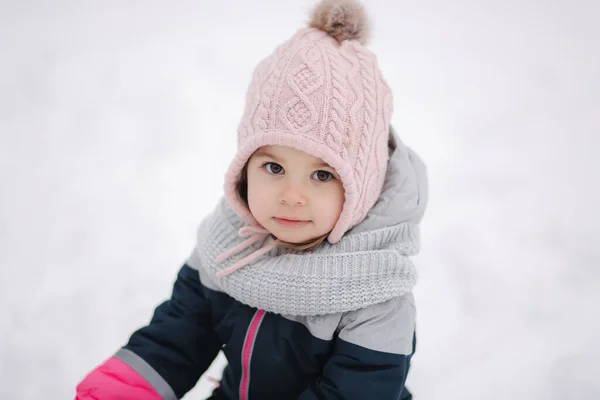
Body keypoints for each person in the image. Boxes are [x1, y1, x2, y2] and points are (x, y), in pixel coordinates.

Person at [75, 0, 428, 398]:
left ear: (360, 184)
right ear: (244, 168)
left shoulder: (374, 291)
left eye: (322, 174)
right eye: (274, 168)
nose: (291, 196)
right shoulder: (229, 245)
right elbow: (177, 336)